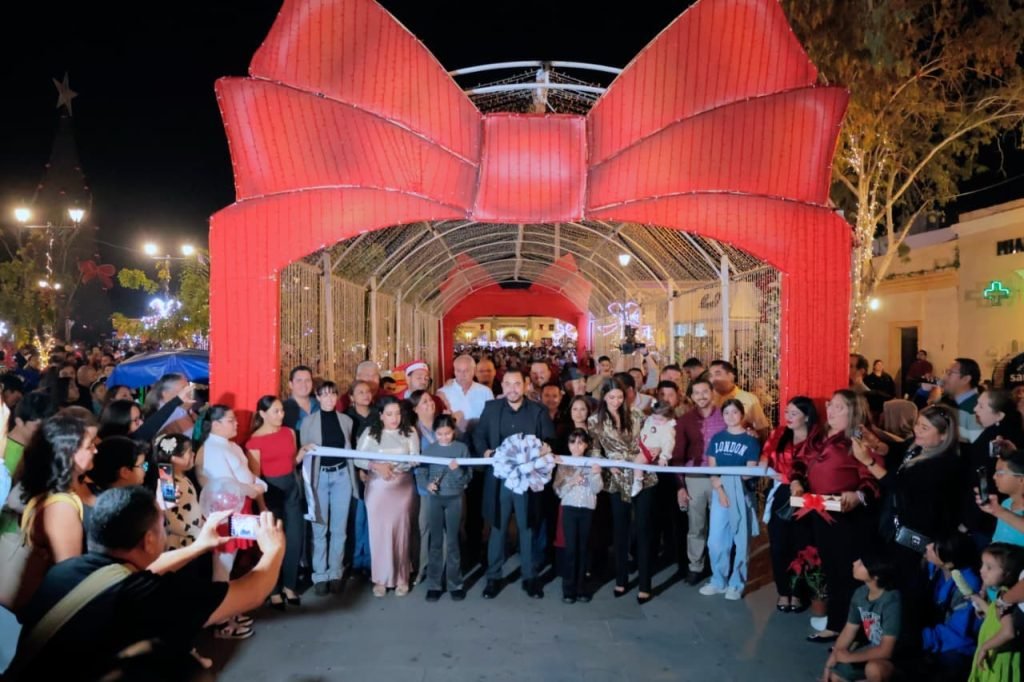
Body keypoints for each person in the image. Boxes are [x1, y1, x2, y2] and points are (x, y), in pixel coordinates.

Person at [10, 487, 285, 679]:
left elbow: (141, 572)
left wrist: (199, 546)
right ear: (149, 540)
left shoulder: (67, 571)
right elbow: (253, 592)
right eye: (161, 525)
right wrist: (274, 549)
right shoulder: (150, 599)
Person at [854, 405, 962, 602]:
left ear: (943, 435)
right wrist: (875, 444)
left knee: (904, 585)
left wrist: (868, 462)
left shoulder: (943, 463)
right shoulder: (918, 446)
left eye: (925, 428)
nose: (917, 431)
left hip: (915, 535)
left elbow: (901, 487)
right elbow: (899, 451)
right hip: (895, 526)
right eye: (917, 424)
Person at [804, 389, 883, 643]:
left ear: (854, 411)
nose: (831, 410)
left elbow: (874, 477)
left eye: (839, 406)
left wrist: (858, 495)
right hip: (820, 509)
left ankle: (856, 631)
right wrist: (796, 481)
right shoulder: (821, 434)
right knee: (832, 570)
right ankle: (836, 624)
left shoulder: (861, 437)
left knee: (850, 574)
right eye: (830, 404)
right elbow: (802, 462)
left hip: (848, 517)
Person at [475, 369, 554, 600]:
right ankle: (493, 577)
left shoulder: (538, 411)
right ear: (502, 386)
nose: (512, 388)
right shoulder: (491, 409)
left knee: (526, 527)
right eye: (507, 384)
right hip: (500, 480)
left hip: (527, 481)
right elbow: (478, 436)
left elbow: (550, 438)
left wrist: (547, 446)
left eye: (517, 384)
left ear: (526, 385)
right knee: (497, 527)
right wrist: (485, 451)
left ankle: (530, 577)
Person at [13, 414, 98, 611]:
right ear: (68, 453)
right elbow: (69, 577)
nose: (96, 449)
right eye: (89, 446)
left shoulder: (72, 489)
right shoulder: (60, 508)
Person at [588, 377, 656, 604]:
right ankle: (621, 578)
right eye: (611, 397)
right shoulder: (595, 421)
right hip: (616, 479)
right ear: (603, 397)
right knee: (620, 530)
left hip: (642, 475)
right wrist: (607, 463)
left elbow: (649, 440)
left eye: (619, 396)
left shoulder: (637, 415)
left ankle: (645, 583)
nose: (616, 401)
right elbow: (595, 449)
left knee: (644, 528)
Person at [246, 395, 313, 608]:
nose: (281, 415)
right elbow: (255, 477)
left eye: (282, 410)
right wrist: (262, 505)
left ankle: (289, 586)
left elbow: (291, 463)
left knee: (294, 538)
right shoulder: (254, 441)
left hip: (292, 490)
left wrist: (301, 454)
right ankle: (273, 590)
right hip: (270, 493)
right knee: (274, 543)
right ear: (263, 414)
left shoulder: (289, 433)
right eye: (276, 411)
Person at [195, 405, 267, 595]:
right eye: (230, 420)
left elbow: (247, 474)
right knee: (223, 565)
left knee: (235, 562)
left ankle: (231, 613)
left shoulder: (232, 445)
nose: (236, 423)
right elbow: (225, 484)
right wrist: (253, 490)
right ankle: (223, 618)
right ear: (215, 425)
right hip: (226, 512)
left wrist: (259, 485)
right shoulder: (211, 448)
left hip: (242, 507)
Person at [355, 395, 419, 597]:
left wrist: (397, 466)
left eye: (397, 413)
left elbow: (415, 459)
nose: (394, 418)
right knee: (378, 533)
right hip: (377, 488)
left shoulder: (409, 432)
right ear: (381, 415)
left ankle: (402, 577)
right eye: (389, 414)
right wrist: (376, 466)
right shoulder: (370, 432)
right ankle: (381, 579)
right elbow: (358, 459)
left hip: (402, 486)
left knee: (402, 532)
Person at [299, 381, 358, 596]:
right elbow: (305, 453)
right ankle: (319, 574)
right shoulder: (308, 422)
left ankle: (336, 573)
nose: (330, 399)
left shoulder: (346, 420)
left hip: (342, 475)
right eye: (325, 395)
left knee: (339, 528)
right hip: (319, 478)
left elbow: (349, 448)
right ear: (318, 397)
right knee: (319, 528)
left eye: (333, 395)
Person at [698, 399, 760, 601]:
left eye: (735, 412)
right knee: (715, 540)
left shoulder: (751, 440)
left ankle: (737, 583)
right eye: (726, 413)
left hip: (742, 494)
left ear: (741, 414)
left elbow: (750, 470)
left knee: (741, 541)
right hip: (720, 493)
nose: (731, 416)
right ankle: (718, 580)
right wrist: (721, 489)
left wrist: (731, 484)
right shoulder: (717, 438)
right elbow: (712, 468)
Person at [760, 396, 817, 612]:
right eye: (787, 413)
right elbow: (765, 455)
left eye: (794, 413)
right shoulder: (779, 433)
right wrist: (764, 465)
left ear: (807, 415)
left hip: (808, 494)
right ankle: (783, 591)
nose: (788, 417)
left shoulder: (817, 438)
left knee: (802, 544)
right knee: (779, 544)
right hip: (782, 493)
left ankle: (799, 592)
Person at [671, 377, 726, 584]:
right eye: (697, 393)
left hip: (721, 477)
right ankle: (696, 566)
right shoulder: (685, 420)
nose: (701, 396)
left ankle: (718, 565)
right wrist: (680, 486)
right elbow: (678, 455)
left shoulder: (725, 416)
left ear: (712, 392)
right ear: (691, 396)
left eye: (705, 392)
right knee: (696, 526)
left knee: (720, 525)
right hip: (695, 477)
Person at [415, 414, 471, 602]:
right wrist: (427, 485)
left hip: (455, 498)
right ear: (435, 433)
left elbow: (468, 477)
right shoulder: (430, 449)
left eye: (447, 433)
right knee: (436, 542)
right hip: (435, 499)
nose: (444, 437)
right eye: (440, 434)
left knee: (453, 541)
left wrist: (457, 471)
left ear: (453, 431)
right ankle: (434, 584)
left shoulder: (461, 449)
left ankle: (455, 583)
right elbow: (421, 472)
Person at [823, 551, 902, 682]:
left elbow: (886, 650)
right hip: (873, 648)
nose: (855, 563)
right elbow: (849, 629)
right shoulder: (860, 593)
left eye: (861, 564)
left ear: (876, 576)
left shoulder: (891, 601)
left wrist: (849, 657)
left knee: (873, 669)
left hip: (896, 658)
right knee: (836, 675)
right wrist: (833, 659)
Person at [918, 534, 983, 681]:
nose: (927, 547)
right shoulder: (935, 569)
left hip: (957, 648)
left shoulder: (969, 585)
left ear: (949, 563)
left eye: (934, 549)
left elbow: (958, 632)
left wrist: (921, 638)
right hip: (933, 637)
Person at [554, 428, 603, 604]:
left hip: (587, 509)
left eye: (581, 442)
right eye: (573, 442)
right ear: (568, 444)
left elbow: (597, 489)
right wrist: (571, 481)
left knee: (583, 548)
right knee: (570, 549)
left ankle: (581, 587)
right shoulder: (564, 463)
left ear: (586, 445)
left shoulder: (592, 463)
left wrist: (596, 473)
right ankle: (568, 588)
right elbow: (558, 490)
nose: (576, 446)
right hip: (569, 508)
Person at [968, 543, 1024, 681]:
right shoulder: (1003, 595)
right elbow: (997, 618)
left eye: (989, 567)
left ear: (1008, 573)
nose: (982, 570)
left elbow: (1008, 632)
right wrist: (981, 603)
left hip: (998, 661)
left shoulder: (1006, 598)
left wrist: (985, 647)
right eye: (982, 564)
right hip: (993, 656)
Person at [344, 379, 377, 577]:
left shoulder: (377, 417)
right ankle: (356, 561)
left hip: (376, 470)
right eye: (360, 392)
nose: (365, 395)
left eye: (368, 392)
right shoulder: (347, 418)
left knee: (373, 517)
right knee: (358, 517)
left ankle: (371, 560)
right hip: (355, 472)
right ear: (351, 397)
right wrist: (358, 469)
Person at [153, 433, 203, 551]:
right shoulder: (167, 481)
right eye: (189, 452)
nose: (193, 454)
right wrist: (198, 533)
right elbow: (172, 521)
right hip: (180, 544)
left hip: (192, 539)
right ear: (174, 458)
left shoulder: (182, 476)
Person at [707, 360, 770, 438]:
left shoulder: (749, 399)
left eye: (717, 374)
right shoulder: (706, 399)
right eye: (710, 375)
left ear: (731, 376)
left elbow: (762, 429)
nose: (713, 379)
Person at [977, 447, 1024, 548]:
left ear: (1021, 479)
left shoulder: (1002, 510)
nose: (994, 477)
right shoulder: (1006, 503)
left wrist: (999, 511)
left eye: (1000, 473)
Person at [282, 365, 319, 432]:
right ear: (290, 384)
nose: (304, 384)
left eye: (307, 380)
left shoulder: (321, 405)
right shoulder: (282, 409)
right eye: (299, 381)